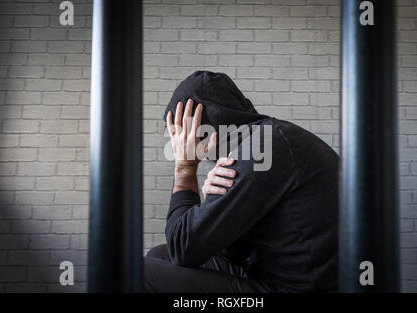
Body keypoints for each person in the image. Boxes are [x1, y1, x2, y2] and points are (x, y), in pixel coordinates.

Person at [144, 71, 339, 293]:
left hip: (296, 288)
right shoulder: (269, 138)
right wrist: (214, 206)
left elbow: (183, 248)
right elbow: (232, 252)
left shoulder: (260, 150)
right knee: (159, 255)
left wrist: (185, 168)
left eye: (182, 135)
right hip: (280, 273)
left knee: (142, 272)